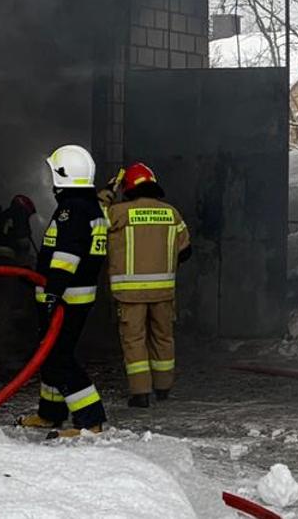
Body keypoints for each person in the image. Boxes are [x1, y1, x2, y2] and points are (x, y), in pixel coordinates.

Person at [20, 145, 109, 437]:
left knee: (59, 358)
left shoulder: (73, 209)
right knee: (51, 354)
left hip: (66, 297)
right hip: (75, 295)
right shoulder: (90, 207)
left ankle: (90, 419)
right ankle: (51, 412)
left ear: (62, 175)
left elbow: (67, 255)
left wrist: (52, 293)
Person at [105, 162, 191, 407]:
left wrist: (107, 192)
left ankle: (140, 393)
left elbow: (93, 223)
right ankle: (163, 388)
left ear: (128, 188)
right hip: (163, 292)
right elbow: (186, 251)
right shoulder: (171, 213)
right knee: (163, 338)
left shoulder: (118, 213)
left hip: (129, 294)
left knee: (135, 341)